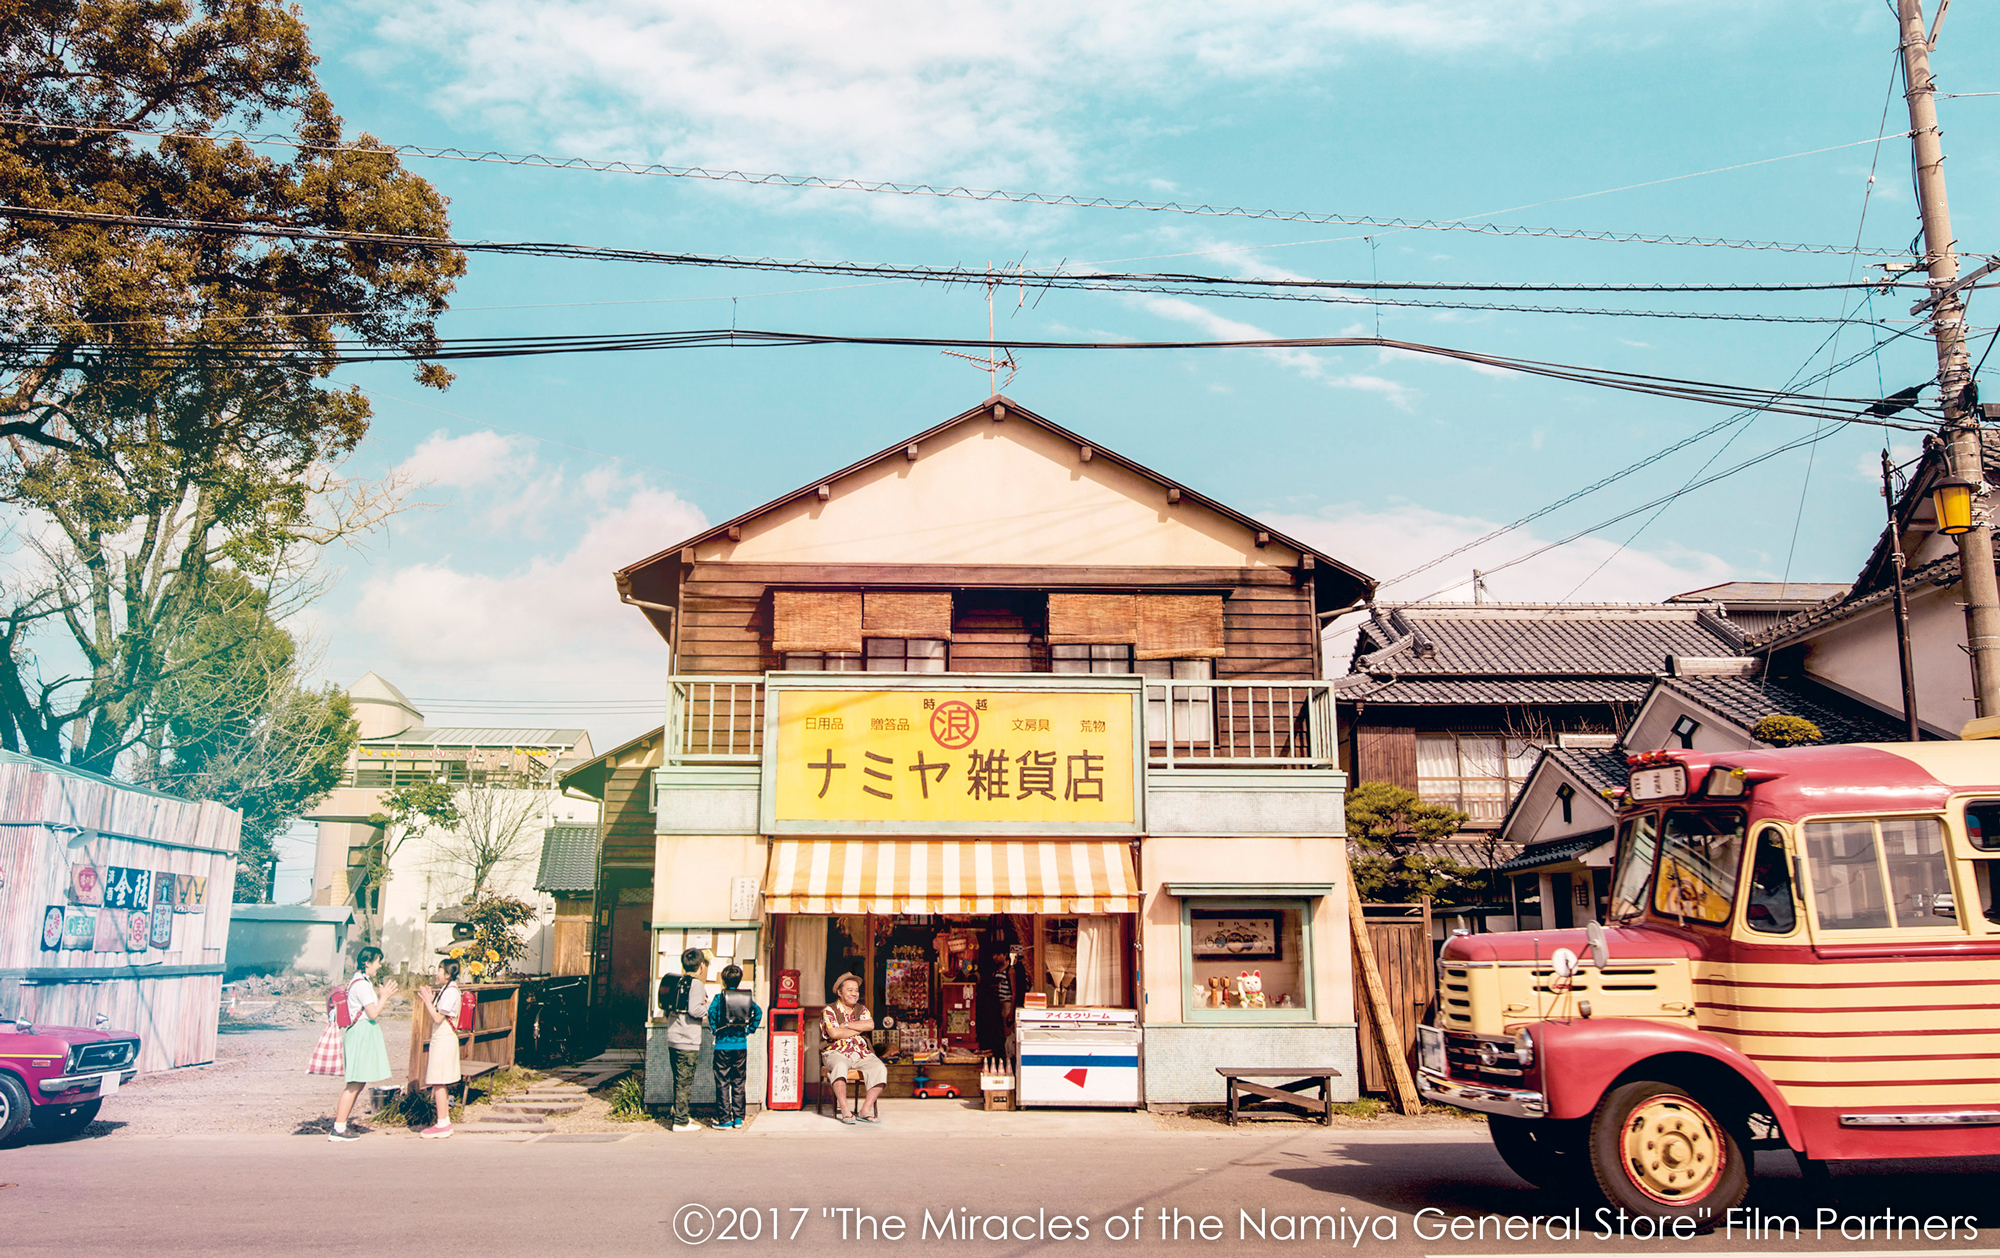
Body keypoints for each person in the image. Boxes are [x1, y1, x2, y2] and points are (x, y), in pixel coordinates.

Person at [330, 946, 398, 1142]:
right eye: (377, 961)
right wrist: (384, 996)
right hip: (360, 1033)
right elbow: (373, 1013)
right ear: (367, 963)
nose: (379, 965)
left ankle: (340, 1126)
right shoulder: (362, 985)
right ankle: (339, 1128)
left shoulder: (360, 982)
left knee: (357, 1082)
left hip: (360, 1033)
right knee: (354, 1083)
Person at [821, 972, 886, 1126]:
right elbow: (834, 1033)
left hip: (860, 1051)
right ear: (839, 992)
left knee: (880, 1068)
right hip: (835, 1050)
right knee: (839, 1066)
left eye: (856, 990)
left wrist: (847, 1025)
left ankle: (865, 1110)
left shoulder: (861, 1009)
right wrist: (858, 1029)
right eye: (849, 990)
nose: (854, 993)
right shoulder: (829, 1011)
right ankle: (844, 1109)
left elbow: (870, 1025)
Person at [705, 964, 763, 1130]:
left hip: (722, 1045)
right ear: (739, 980)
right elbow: (758, 1013)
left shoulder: (719, 997)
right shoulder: (746, 998)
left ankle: (725, 1119)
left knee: (722, 1081)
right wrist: (749, 1029)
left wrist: (716, 1030)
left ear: (723, 980)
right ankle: (738, 1118)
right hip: (740, 1045)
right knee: (739, 1081)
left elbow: (711, 1014)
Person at [658, 948, 708, 1133]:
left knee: (678, 1079)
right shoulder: (696, 985)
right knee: (684, 1081)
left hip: (673, 1036)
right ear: (701, 966)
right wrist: (709, 1007)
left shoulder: (676, 981)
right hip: (688, 1038)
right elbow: (695, 1010)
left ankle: (678, 1112)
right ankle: (680, 1121)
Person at [417, 958, 464, 1139]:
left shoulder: (451, 992)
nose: (437, 973)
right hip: (442, 1038)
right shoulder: (447, 990)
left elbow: (437, 1018)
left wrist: (428, 1002)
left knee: (438, 1080)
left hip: (444, 1039)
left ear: (448, 974)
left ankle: (442, 1123)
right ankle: (443, 1121)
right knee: (439, 1081)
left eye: (440, 970)